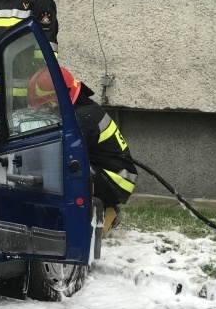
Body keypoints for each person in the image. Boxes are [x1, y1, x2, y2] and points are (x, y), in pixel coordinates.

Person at [27, 66, 137, 235]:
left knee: (66, 167)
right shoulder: (84, 110)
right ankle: (104, 209)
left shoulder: (82, 119)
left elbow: (58, 150)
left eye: (48, 106)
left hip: (116, 182)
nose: (47, 111)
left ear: (60, 99)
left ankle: (100, 215)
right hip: (111, 175)